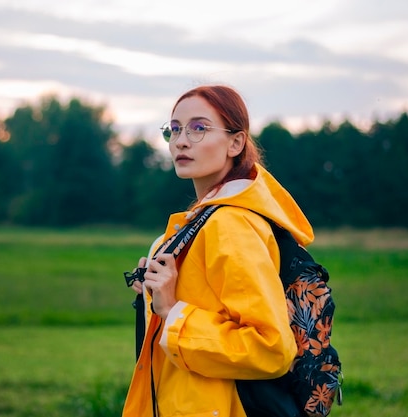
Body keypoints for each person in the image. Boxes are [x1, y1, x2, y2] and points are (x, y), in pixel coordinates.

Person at [122, 85, 314, 417]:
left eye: (199, 128)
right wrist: (156, 292)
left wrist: (172, 311)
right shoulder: (203, 221)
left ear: (236, 143)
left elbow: (270, 347)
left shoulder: (230, 225)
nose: (181, 141)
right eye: (175, 128)